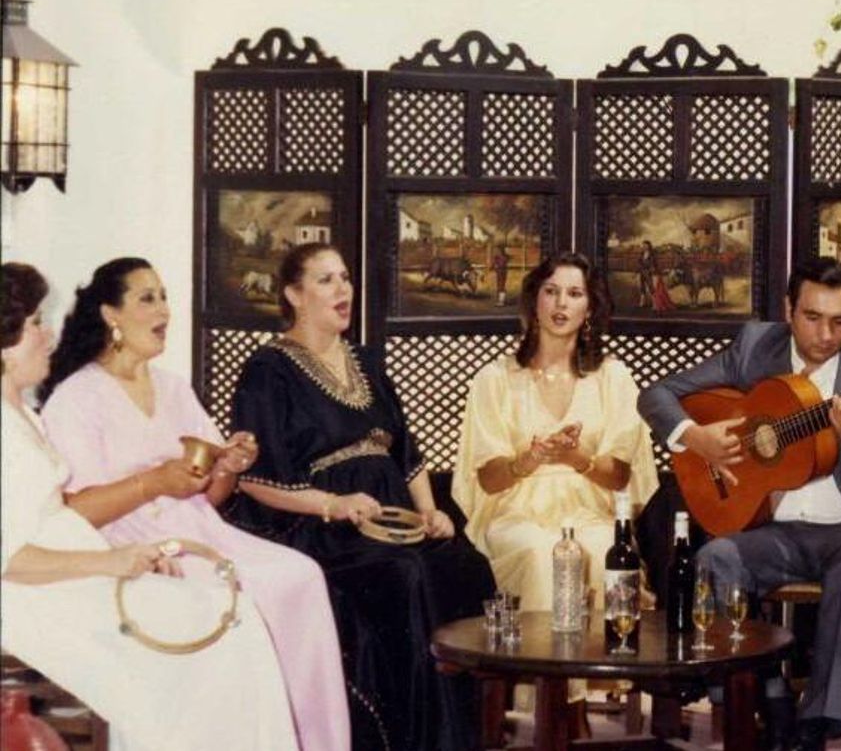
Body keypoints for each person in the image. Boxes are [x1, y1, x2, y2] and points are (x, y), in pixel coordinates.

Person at [36, 256, 351, 751]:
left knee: (301, 576)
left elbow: (212, 495)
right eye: (147, 299)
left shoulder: (173, 387)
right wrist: (154, 482)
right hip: (129, 542)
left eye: (164, 296)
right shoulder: (77, 398)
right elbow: (76, 511)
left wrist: (228, 465)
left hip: (204, 532)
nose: (164, 309)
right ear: (110, 315)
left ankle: (313, 741)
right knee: (245, 597)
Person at [226, 242, 497, 751]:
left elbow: (407, 454)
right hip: (318, 526)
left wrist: (430, 510)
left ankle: (463, 738)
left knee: (466, 567)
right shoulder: (268, 370)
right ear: (293, 294)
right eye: (326, 280)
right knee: (404, 574)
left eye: (346, 278)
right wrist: (333, 504)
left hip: (394, 518)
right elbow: (254, 479)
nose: (343, 290)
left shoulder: (366, 362)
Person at [638, 257, 841, 751]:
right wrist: (695, 438)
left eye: (840, 321)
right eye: (812, 317)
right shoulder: (754, 347)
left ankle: (817, 722)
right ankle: (766, 695)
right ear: (788, 308)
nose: (825, 334)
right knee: (714, 559)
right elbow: (657, 395)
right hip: (773, 525)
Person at [453, 252, 660, 710]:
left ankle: (593, 691)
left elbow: (622, 473)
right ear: (533, 302)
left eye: (574, 293)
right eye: (551, 291)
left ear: (591, 307)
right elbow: (487, 479)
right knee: (542, 552)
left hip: (590, 504)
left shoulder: (614, 377)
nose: (560, 303)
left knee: (603, 547)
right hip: (515, 508)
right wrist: (529, 459)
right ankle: (551, 706)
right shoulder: (495, 378)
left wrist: (576, 457)